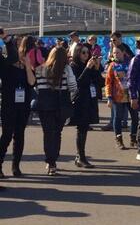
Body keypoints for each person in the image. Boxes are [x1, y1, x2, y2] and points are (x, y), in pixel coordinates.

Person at [35, 45, 77, 175]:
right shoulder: (66, 69)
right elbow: (73, 87)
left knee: (47, 133)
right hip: (61, 105)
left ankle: (50, 162)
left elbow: (35, 87)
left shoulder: (40, 69)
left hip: (44, 105)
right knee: (57, 132)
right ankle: (54, 160)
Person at [0, 35, 36, 178]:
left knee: (19, 135)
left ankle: (16, 166)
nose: (21, 48)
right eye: (18, 44)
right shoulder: (7, 65)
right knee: (7, 134)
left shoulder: (27, 64)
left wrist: (27, 65)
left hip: (23, 105)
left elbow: (32, 83)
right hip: (9, 104)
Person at [70, 43, 104, 168]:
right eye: (83, 52)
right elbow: (78, 83)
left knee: (85, 128)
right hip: (80, 101)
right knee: (81, 128)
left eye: (87, 53)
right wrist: (87, 68)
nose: (86, 55)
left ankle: (80, 156)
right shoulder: (73, 66)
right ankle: (81, 156)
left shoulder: (90, 66)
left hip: (90, 100)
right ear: (77, 53)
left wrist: (96, 68)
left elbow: (101, 83)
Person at [104, 45, 131, 149]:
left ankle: (134, 138)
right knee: (118, 117)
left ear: (123, 52)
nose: (115, 55)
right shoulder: (112, 65)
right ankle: (118, 139)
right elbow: (108, 83)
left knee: (135, 117)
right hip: (118, 96)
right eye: (114, 53)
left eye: (118, 52)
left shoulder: (130, 63)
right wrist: (109, 97)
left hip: (130, 95)